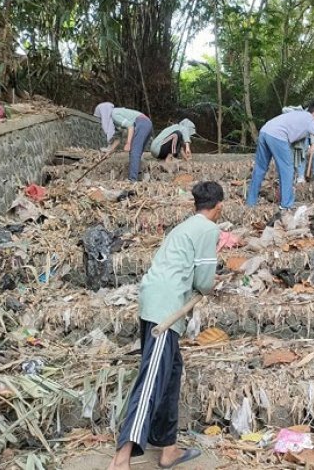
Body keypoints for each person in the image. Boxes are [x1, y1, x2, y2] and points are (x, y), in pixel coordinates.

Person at [108, 181, 224, 470]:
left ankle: (167, 447)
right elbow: (205, 282)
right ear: (219, 206)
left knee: (171, 372)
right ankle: (121, 459)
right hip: (167, 308)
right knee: (151, 380)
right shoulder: (209, 230)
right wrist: (209, 284)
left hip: (153, 300)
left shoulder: (184, 227)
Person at [246, 103, 314, 210]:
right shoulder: (311, 120)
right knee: (287, 169)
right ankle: (286, 204)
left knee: (260, 168)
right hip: (278, 136)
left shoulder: (297, 113)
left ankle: (251, 202)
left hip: (264, 131)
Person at [93, 102, 153, 182]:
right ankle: (139, 176)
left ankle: (132, 180)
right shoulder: (114, 121)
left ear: (104, 114)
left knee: (134, 152)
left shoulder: (114, 114)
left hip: (142, 123)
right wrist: (109, 152)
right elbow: (118, 139)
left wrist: (128, 143)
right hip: (146, 123)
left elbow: (130, 126)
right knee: (137, 153)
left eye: (101, 117)